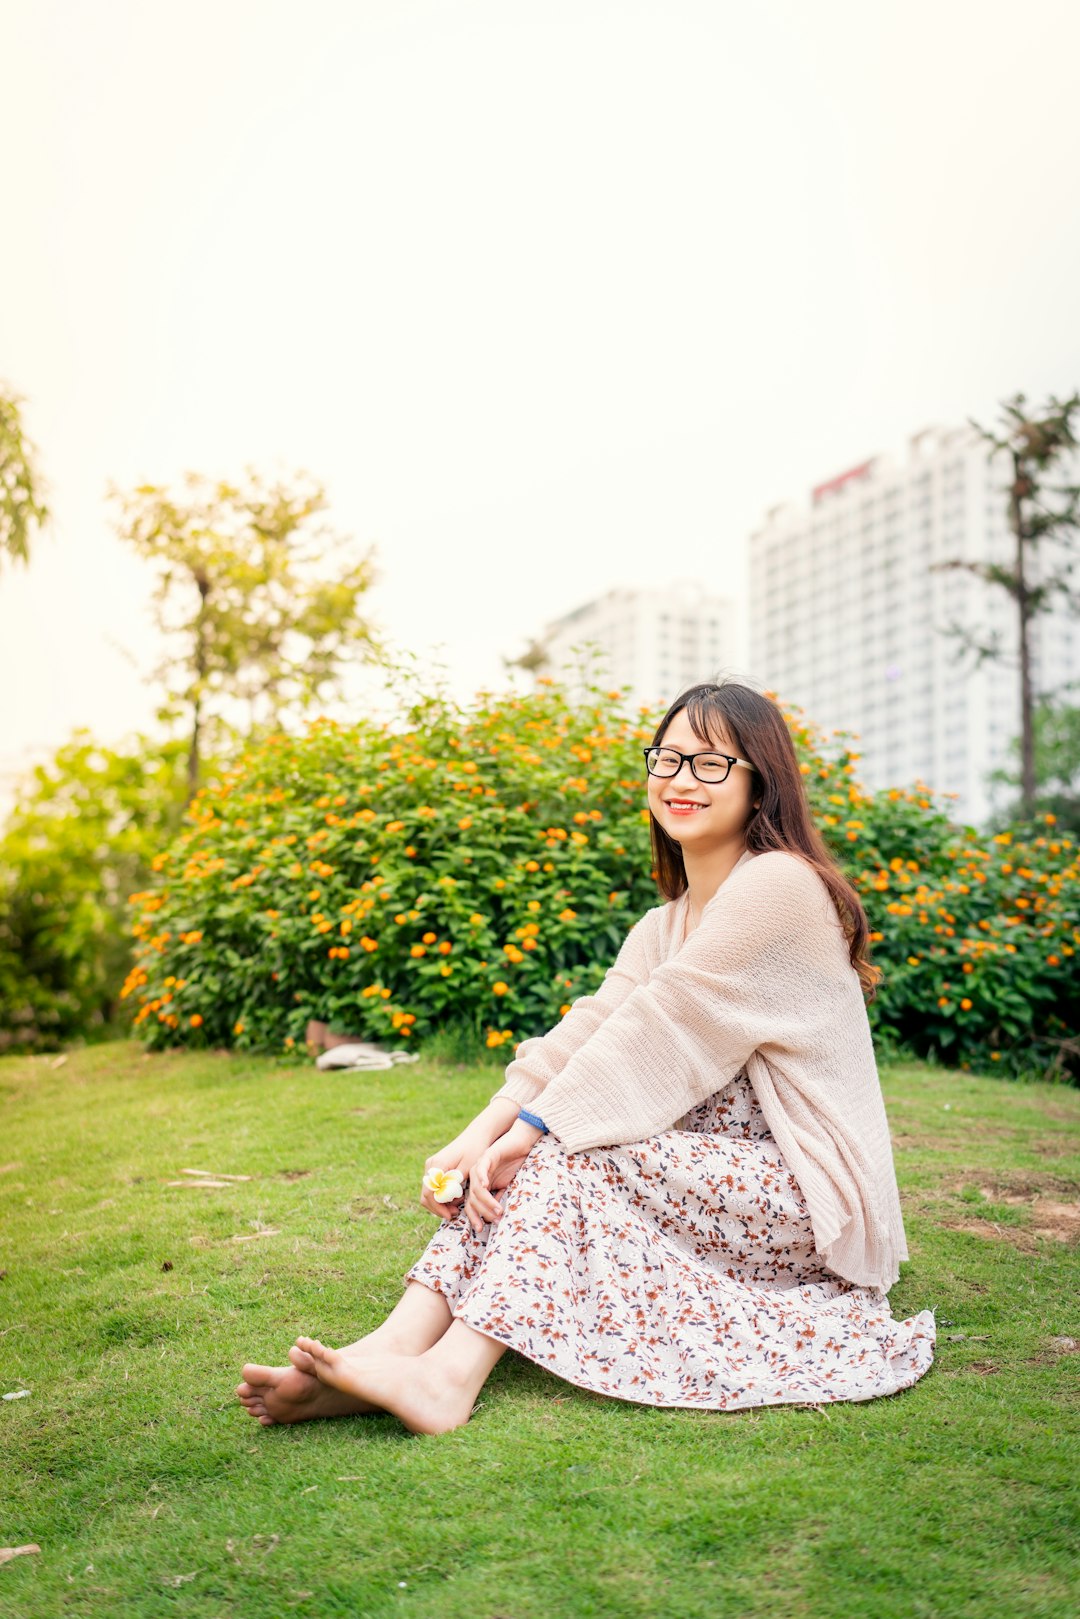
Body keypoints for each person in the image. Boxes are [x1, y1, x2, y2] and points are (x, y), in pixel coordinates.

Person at [237, 679, 936, 1435]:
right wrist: (479, 1133)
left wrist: (532, 1129)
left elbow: (662, 1027)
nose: (679, 779)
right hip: (717, 1173)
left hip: (804, 1193)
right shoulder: (663, 923)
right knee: (543, 1146)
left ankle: (444, 1378)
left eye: (709, 763)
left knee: (565, 1151)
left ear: (760, 783)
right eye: (666, 758)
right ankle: (385, 1351)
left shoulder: (781, 885)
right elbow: (593, 1028)